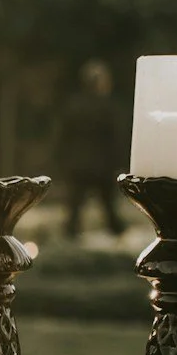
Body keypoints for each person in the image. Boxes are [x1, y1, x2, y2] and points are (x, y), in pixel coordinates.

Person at [55, 59, 129, 240]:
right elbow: (116, 139)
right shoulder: (108, 107)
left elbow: (63, 137)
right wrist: (120, 164)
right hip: (102, 166)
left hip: (79, 164)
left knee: (75, 209)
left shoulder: (74, 106)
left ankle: (70, 240)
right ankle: (119, 240)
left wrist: (63, 161)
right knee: (109, 207)